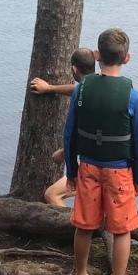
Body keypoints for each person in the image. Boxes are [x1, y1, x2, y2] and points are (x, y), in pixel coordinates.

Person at [64, 28, 138, 275]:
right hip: (119, 170)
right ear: (127, 58)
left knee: (85, 225)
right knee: (121, 229)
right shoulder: (132, 96)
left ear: (98, 56)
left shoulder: (81, 89)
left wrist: (71, 172)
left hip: (87, 166)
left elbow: (69, 134)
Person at [32, 48, 97, 208]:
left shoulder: (83, 97)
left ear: (74, 69)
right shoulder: (97, 87)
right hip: (115, 166)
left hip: (93, 167)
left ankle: (72, 228)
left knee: (52, 194)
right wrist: (50, 88)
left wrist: (64, 153)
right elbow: (75, 89)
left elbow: (76, 135)